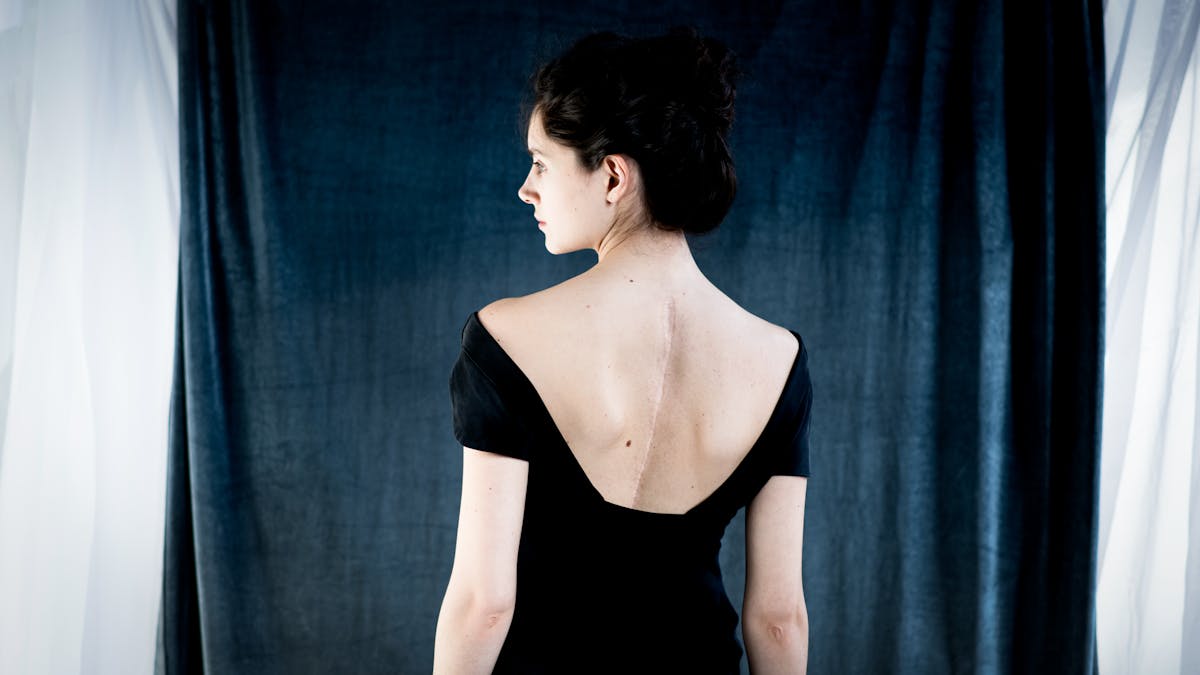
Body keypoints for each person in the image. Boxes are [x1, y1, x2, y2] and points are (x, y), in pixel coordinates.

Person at [433, 26, 812, 675]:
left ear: (612, 176)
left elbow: (484, 604)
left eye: (541, 162)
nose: (526, 188)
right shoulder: (778, 359)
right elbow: (778, 617)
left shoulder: (504, 340)